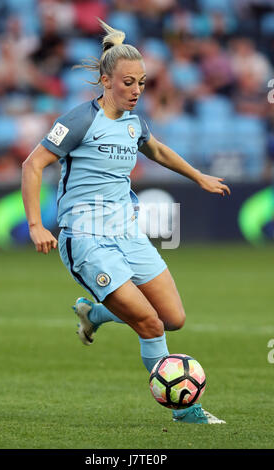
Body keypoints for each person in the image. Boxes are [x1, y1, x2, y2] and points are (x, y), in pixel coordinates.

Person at [21, 19, 230, 424]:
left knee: (173, 318)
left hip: (127, 231)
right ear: (105, 81)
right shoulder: (79, 120)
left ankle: (94, 313)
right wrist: (35, 224)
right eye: (128, 83)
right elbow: (32, 165)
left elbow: (158, 151)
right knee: (151, 325)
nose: (136, 91)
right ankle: (186, 412)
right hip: (85, 236)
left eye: (142, 83)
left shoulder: (135, 122)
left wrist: (198, 175)